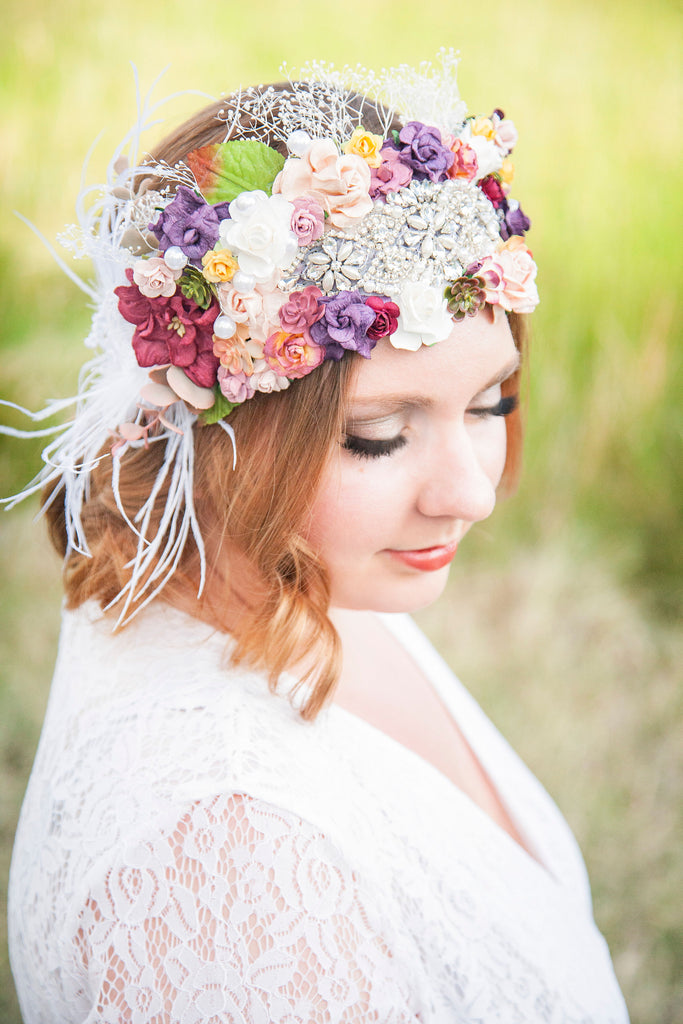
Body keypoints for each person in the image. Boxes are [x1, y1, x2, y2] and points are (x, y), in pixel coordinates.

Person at [4, 54, 629, 1022]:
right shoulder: (224, 862)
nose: (471, 495)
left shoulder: (304, 584)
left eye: (488, 400)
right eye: (377, 436)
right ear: (198, 424)